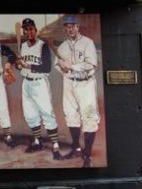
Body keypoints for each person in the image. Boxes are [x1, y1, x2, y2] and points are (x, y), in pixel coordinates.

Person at [55, 15, 100, 168]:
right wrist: (62, 67)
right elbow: (57, 65)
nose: (70, 29)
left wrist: (72, 67)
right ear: (65, 28)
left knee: (89, 116)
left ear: (78, 27)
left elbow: (92, 64)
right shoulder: (62, 46)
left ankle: (87, 155)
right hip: (69, 83)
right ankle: (75, 147)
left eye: (73, 26)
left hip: (85, 83)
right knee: (70, 114)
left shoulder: (88, 43)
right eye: (68, 26)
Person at [16, 18, 62, 160]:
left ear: (35, 30)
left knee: (47, 113)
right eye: (25, 29)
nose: (28, 31)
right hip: (26, 83)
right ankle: (37, 141)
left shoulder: (43, 46)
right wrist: (19, 65)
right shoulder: (23, 46)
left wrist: (27, 65)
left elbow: (46, 67)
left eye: (30, 29)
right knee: (30, 114)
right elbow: (21, 67)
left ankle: (55, 146)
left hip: (40, 83)